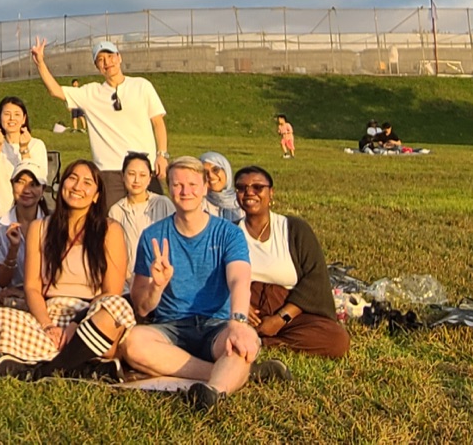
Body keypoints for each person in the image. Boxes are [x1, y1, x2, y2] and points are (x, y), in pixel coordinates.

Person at [119, 156, 267, 412]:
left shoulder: (228, 233)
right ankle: (233, 374)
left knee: (243, 342)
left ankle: (212, 392)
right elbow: (142, 308)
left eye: (192, 184)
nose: (185, 191)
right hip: (170, 327)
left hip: (216, 325)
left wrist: (237, 321)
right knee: (131, 343)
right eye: (177, 185)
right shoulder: (153, 237)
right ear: (169, 189)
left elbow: (239, 279)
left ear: (205, 188)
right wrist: (157, 285)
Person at [0, 159, 135, 378]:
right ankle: (84, 366)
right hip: (51, 312)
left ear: (96, 195)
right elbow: (32, 287)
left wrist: (76, 323)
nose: (78, 187)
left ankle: (46, 369)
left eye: (87, 182)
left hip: (91, 316)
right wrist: (48, 326)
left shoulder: (110, 230)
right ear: (61, 186)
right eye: (72, 178)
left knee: (117, 308)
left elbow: (112, 292)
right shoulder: (40, 228)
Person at [31, 38, 170, 206]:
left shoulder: (142, 86)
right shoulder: (91, 92)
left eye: (110, 56)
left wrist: (162, 155)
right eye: (101, 59)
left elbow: (158, 122)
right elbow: (56, 91)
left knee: (152, 219)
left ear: (119, 57)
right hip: (109, 172)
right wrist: (40, 62)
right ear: (97, 66)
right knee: (112, 224)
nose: (107, 62)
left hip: (143, 169)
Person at [233, 166, 349, 359]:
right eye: (242, 188)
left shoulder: (294, 228)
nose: (249, 193)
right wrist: (238, 304)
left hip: (289, 309)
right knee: (211, 328)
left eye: (257, 187)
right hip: (246, 309)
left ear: (271, 193)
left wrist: (280, 319)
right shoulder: (230, 231)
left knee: (337, 340)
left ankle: (266, 343)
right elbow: (215, 276)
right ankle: (247, 337)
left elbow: (315, 276)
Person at [108, 152, 172, 286]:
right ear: (122, 176)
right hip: (129, 282)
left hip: (163, 278)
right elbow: (115, 252)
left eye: (142, 175)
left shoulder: (163, 204)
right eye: (131, 174)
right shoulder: (116, 211)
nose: (136, 180)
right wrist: (129, 280)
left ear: (150, 179)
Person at [0, 163, 50, 298]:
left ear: (42, 190)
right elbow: (2, 281)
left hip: (47, 295)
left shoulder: (53, 225)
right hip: (11, 297)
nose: (26, 190)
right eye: (21, 182)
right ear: (12, 185)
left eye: (33, 184)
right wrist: (13, 249)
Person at [0, 96, 48, 219]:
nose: (12, 118)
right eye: (7, 114)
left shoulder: (36, 145)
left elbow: (38, 180)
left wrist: (24, 149)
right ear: (0, 118)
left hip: (29, 217)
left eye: (17, 114)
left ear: (24, 119)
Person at [200, 151, 244, 223]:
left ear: (226, 171)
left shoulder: (242, 200)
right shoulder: (198, 203)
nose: (211, 176)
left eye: (215, 170)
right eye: (205, 172)